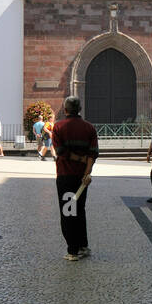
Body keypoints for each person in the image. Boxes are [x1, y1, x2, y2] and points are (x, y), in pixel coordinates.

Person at [52, 96, 98, 261]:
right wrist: (87, 172)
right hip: (81, 178)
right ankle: (83, 246)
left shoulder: (58, 127)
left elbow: (61, 152)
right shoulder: (89, 128)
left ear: (65, 110)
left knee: (68, 211)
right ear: (80, 109)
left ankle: (72, 251)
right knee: (79, 210)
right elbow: (93, 153)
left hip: (65, 176)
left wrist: (79, 160)